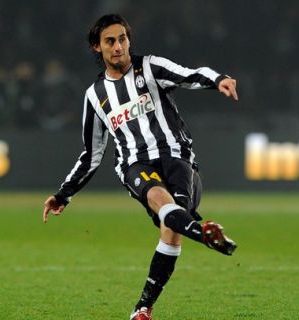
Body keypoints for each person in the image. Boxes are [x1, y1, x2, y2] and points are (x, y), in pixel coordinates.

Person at [42, 14, 238, 320]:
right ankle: (203, 234)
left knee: (172, 230)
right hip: (135, 163)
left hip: (177, 157)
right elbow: (92, 154)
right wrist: (63, 194)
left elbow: (189, 75)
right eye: (110, 41)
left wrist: (218, 80)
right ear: (97, 48)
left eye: (122, 39)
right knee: (165, 206)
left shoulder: (150, 67)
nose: (118, 46)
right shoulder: (95, 97)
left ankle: (142, 307)